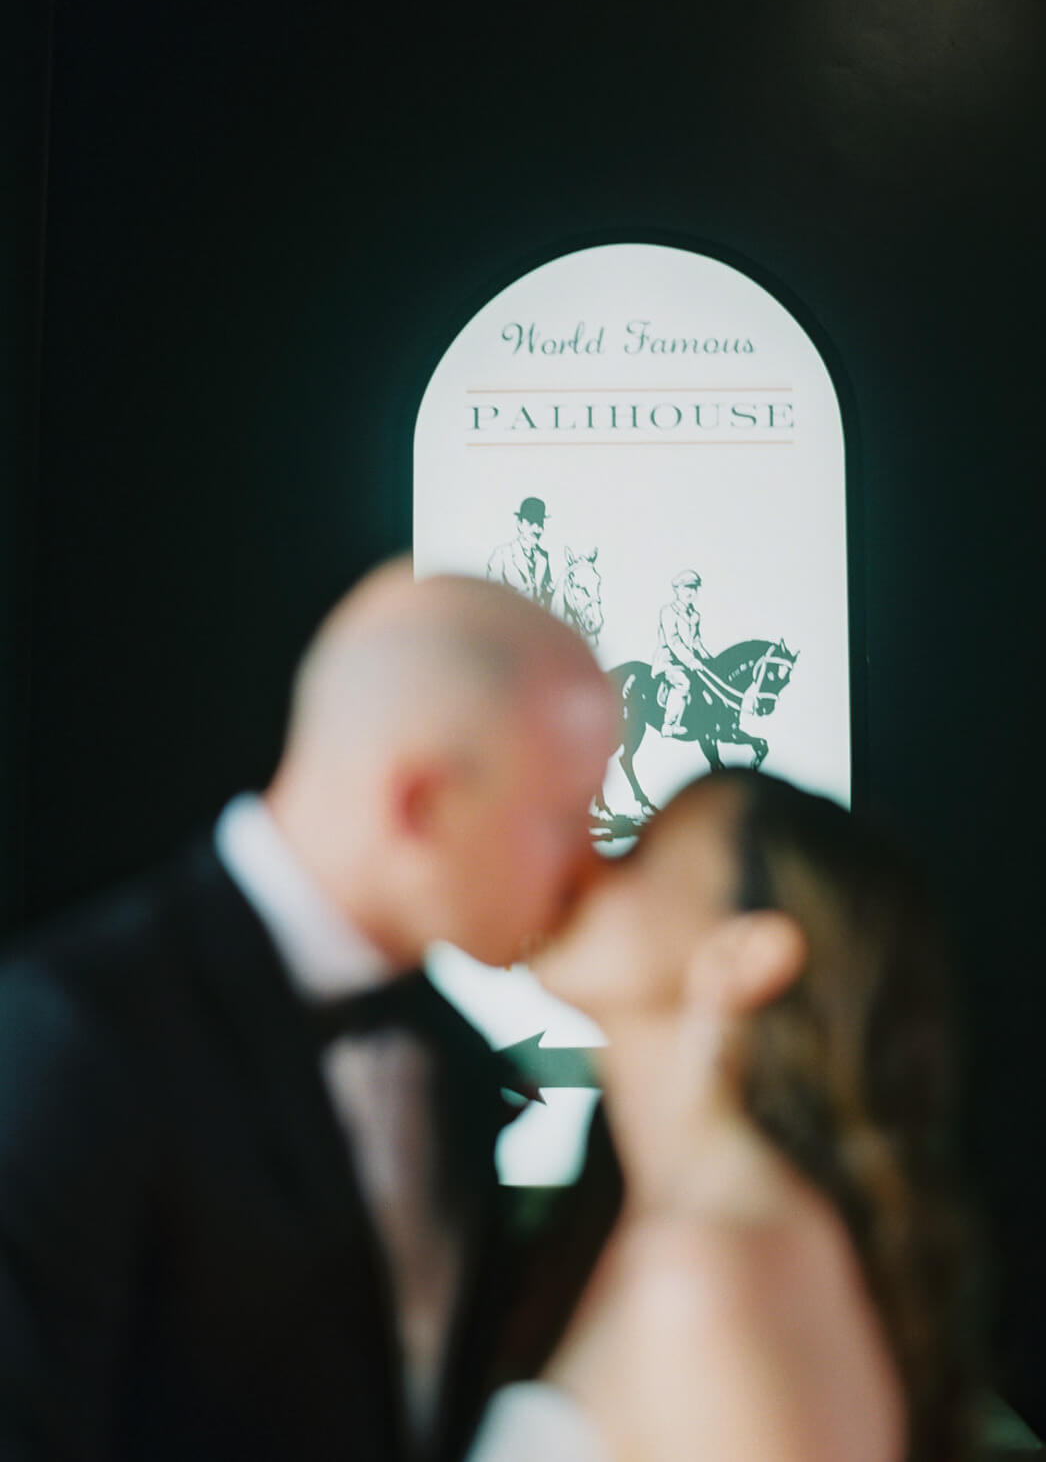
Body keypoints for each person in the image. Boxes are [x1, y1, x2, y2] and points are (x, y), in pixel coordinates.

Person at [0, 562, 618, 1462]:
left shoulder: (457, 1061)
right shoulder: (76, 1034)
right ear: (421, 804)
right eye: (569, 816)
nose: (590, 866)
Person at [468, 767, 971, 1462]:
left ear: (743, 955)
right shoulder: (734, 1235)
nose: (584, 864)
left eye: (636, 852)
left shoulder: (699, 1281)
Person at [650, 568, 712, 738]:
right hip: (669, 661)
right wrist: (691, 660)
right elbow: (673, 641)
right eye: (687, 588)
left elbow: (696, 641)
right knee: (683, 683)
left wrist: (707, 659)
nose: (691, 592)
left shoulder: (695, 615)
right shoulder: (668, 612)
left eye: (694, 588)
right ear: (677, 589)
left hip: (689, 662)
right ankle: (669, 725)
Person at [486, 497, 554, 608]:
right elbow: (492, 597)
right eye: (531, 522)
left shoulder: (543, 557)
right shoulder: (502, 554)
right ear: (519, 524)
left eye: (540, 523)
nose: (536, 529)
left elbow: (547, 596)